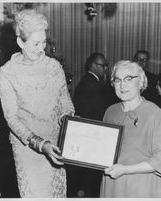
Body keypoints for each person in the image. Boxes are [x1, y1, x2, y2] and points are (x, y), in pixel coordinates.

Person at [0, 9, 74, 198]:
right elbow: (12, 118)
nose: (42, 49)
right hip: (28, 149)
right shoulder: (7, 73)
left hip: (56, 145)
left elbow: (65, 103)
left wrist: (69, 121)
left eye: (44, 42)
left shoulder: (53, 67)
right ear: (20, 42)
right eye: (36, 43)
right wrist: (40, 144)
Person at [100, 60, 161, 198]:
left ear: (140, 82)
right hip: (112, 183)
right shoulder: (110, 111)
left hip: (141, 186)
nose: (122, 85)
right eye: (117, 80)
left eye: (128, 79)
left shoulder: (155, 114)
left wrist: (126, 170)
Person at [67, 52, 118, 198]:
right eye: (103, 65)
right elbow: (97, 114)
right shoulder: (92, 85)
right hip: (92, 138)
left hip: (88, 136)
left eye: (107, 66)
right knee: (90, 183)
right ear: (92, 65)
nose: (106, 69)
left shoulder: (88, 82)